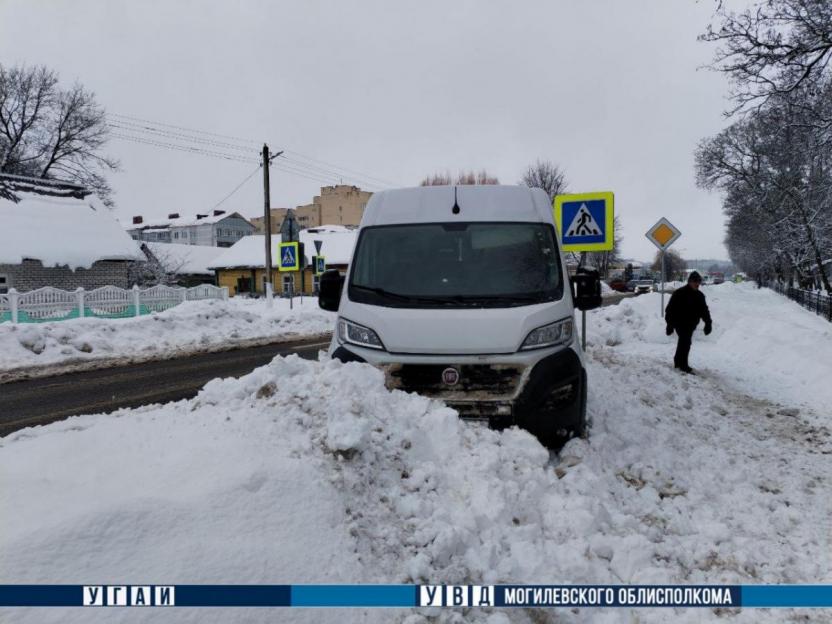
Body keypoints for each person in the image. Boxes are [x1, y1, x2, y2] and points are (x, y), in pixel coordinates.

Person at [664, 271, 712, 374]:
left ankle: (678, 361)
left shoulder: (700, 296)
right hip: (679, 323)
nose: (697, 284)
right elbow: (670, 310)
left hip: (691, 324)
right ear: (689, 281)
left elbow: (704, 310)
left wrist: (708, 323)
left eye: (698, 282)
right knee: (685, 341)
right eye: (694, 281)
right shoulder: (679, 293)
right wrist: (670, 325)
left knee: (685, 342)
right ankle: (683, 364)